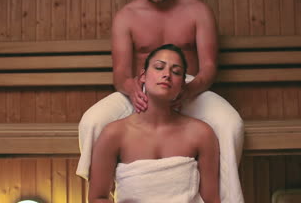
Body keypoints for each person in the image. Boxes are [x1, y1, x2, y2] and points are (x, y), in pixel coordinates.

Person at [77, 0, 245, 202]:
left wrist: (189, 90)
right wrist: (131, 88)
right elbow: (120, 73)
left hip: (188, 84)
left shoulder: (197, 11)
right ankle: (102, 193)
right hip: (140, 87)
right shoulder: (127, 17)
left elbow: (210, 66)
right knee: (92, 121)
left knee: (231, 124)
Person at [89, 44, 220, 203]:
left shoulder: (201, 134)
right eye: (159, 67)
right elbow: (98, 198)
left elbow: (212, 200)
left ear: (182, 85)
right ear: (143, 76)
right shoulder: (114, 134)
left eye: (176, 72)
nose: (167, 75)